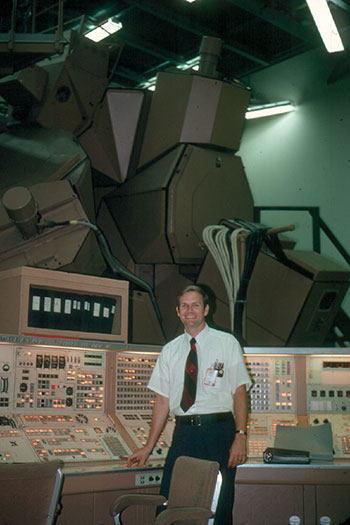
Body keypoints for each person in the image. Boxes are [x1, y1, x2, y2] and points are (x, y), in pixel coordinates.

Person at [127, 284, 252, 524]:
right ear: (178, 312)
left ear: (206, 309)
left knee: (219, 502)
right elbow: (162, 401)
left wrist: (240, 436)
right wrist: (147, 447)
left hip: (219, 432)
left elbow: (239, 392)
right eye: (184, 306)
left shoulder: (227, 343)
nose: (190, 310)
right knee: (173, 501)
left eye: (195, 305)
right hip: (184, 433)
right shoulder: (169, 351)